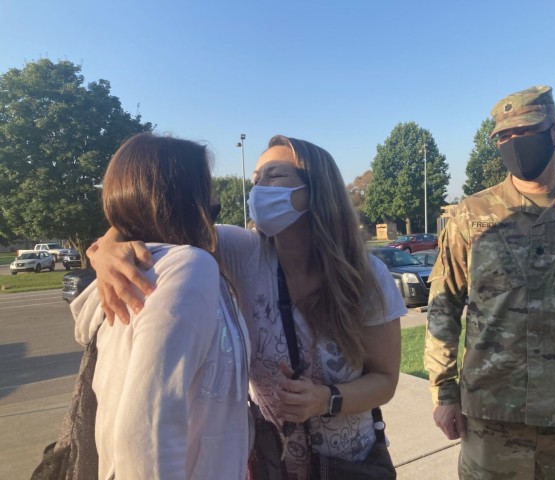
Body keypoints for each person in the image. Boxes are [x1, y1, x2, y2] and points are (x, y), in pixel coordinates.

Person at [88, 135, 406, 479]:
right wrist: (105, 249)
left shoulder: (365, 275)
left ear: (317, 191)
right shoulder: (242, 251)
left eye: (275, 176)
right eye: (256, 179)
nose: (259, 188)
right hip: (270, 464)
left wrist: (324, 399)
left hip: (349, 466)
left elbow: (385, 381)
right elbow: (155, 215)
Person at [425, 85, 555, 479]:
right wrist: (443, 391)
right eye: (504, 136)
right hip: (491, 421)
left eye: (524, 131)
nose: (514, 143)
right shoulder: (470, 216)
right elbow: (443, 307)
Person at [73, 133, 250, 479]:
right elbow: (144, 431)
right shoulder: (188, 268)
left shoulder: (142, 266)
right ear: (186, 196)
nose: (214, 199)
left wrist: (106, 243)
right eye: (207, 186)